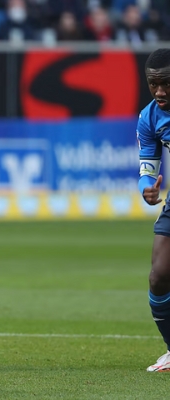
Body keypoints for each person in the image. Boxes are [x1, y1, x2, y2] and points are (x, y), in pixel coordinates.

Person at [138, 48, 170, 372]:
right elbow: (147, 167)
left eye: (166, 84)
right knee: (159, 276)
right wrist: (145, 188)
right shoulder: (149, 117)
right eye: (153, 84)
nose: (159, 91)